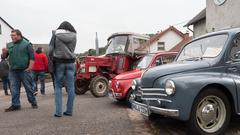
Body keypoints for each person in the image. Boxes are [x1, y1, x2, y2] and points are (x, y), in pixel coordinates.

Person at [2, 29, 38, 112]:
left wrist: (30, 68)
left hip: (24, 70)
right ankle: (16, 105)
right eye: (11, 35)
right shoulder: (9, 45)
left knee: (29, 88)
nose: (12, 37)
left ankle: (33, 102)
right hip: (13, 71)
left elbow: (32, 57)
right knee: (14, 88)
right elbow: (4, 57)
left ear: (19, 35)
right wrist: (4, 52)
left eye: (14, 35)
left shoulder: (27, 44)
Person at [48, 21, 77, 117]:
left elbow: (50, 49)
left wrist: (51, 58)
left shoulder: (55, 34)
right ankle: (69, 111)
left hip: (59, 62)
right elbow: (72, 49)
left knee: (58, 86)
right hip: (71, 63)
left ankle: (58, 112)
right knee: (71, 87)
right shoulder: (74, 35)